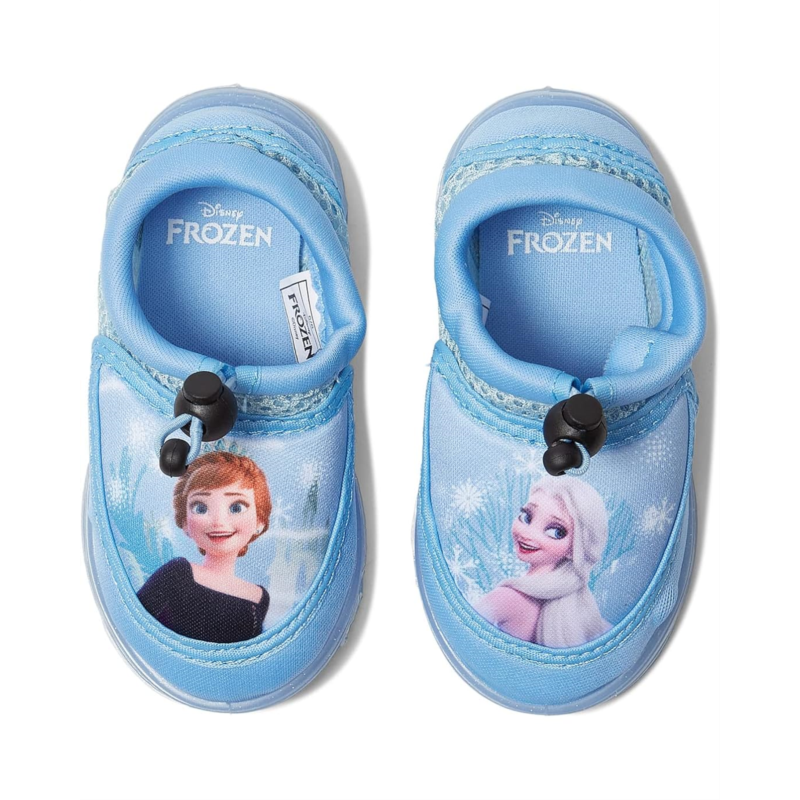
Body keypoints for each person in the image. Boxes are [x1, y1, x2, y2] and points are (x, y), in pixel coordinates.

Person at [137, 451, 271, 643]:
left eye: (237, 507)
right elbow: (137, 621)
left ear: (260, 521)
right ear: (185, 522)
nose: (218, 522)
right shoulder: (177, 574)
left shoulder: (259, 597)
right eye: (200, 507)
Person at [475, 475, 610, 647]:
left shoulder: (506, 598)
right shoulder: (584, 610)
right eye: (527, 517)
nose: (528, 534)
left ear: (575, 548)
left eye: (556, 532)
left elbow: (463, 635)